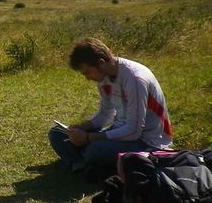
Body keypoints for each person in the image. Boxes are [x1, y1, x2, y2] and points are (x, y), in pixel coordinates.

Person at [48, 37, 172, 176]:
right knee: (57, 133)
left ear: (101, 63)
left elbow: (134, 131)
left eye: (87, 72)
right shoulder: (104, 77)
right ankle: (85, 163)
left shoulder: (135, 79)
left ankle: (83, 161)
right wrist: (83, 127)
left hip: (146, 141)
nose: (87, 78)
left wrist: (89, 138)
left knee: (95, 149)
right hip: (119, 132)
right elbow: (105, 113)